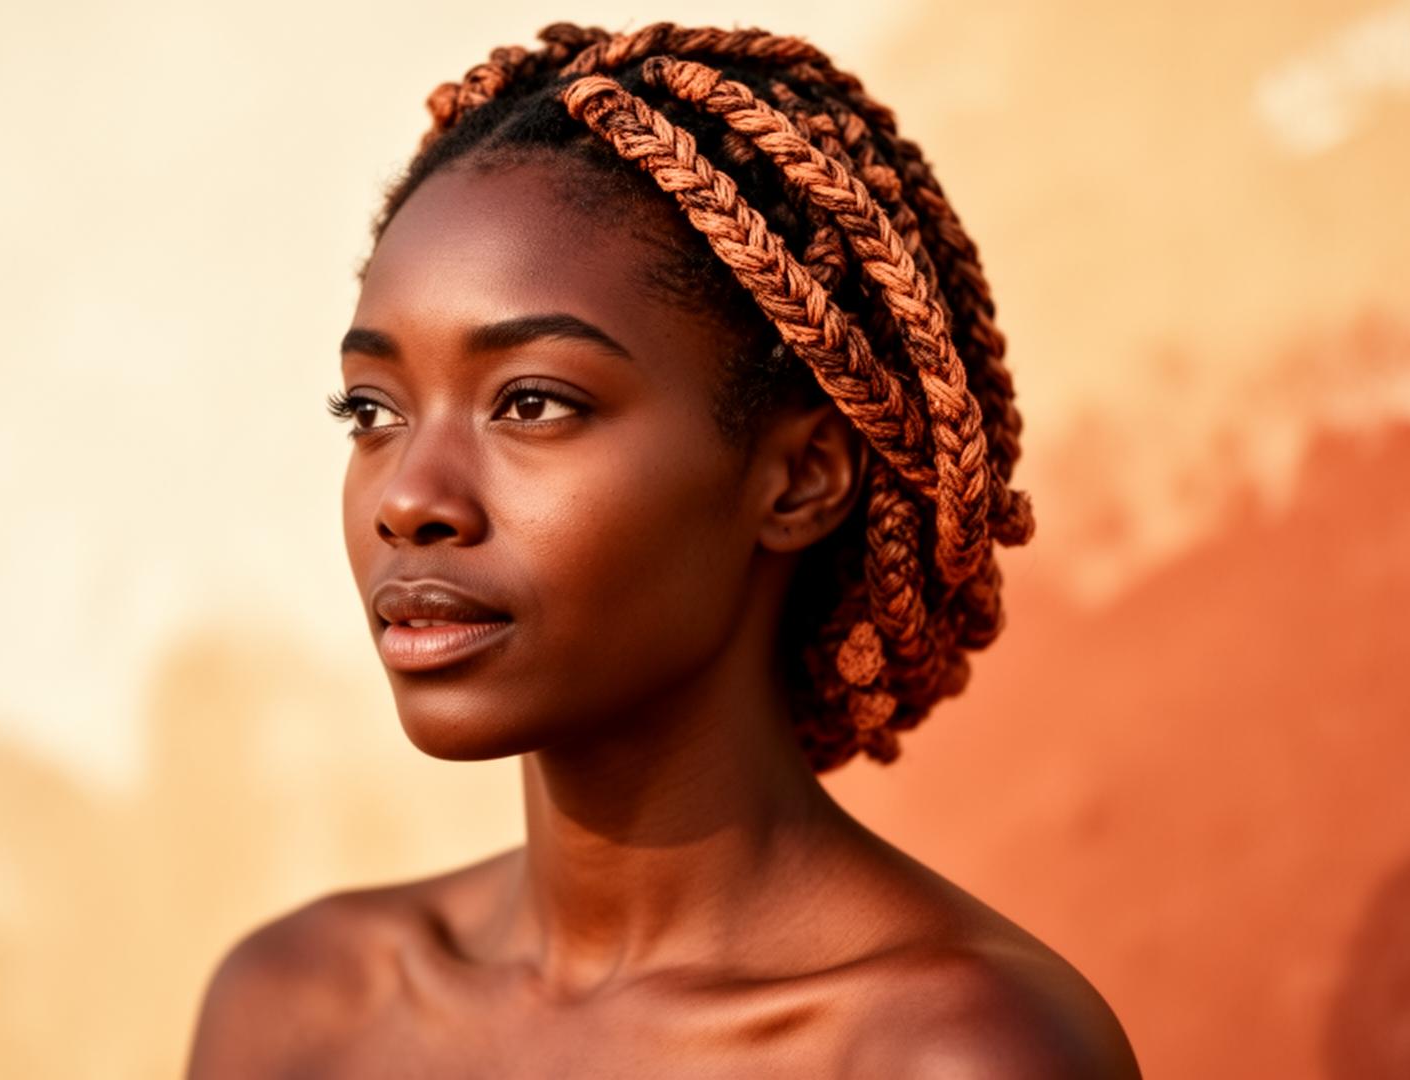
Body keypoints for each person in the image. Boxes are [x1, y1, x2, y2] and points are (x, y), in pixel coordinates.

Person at [186, 21, 1139, 1077]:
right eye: (371, 410)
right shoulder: (297, 1013)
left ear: (800, 478)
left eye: (533, 403)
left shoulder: (943, 1054)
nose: (409, 497)